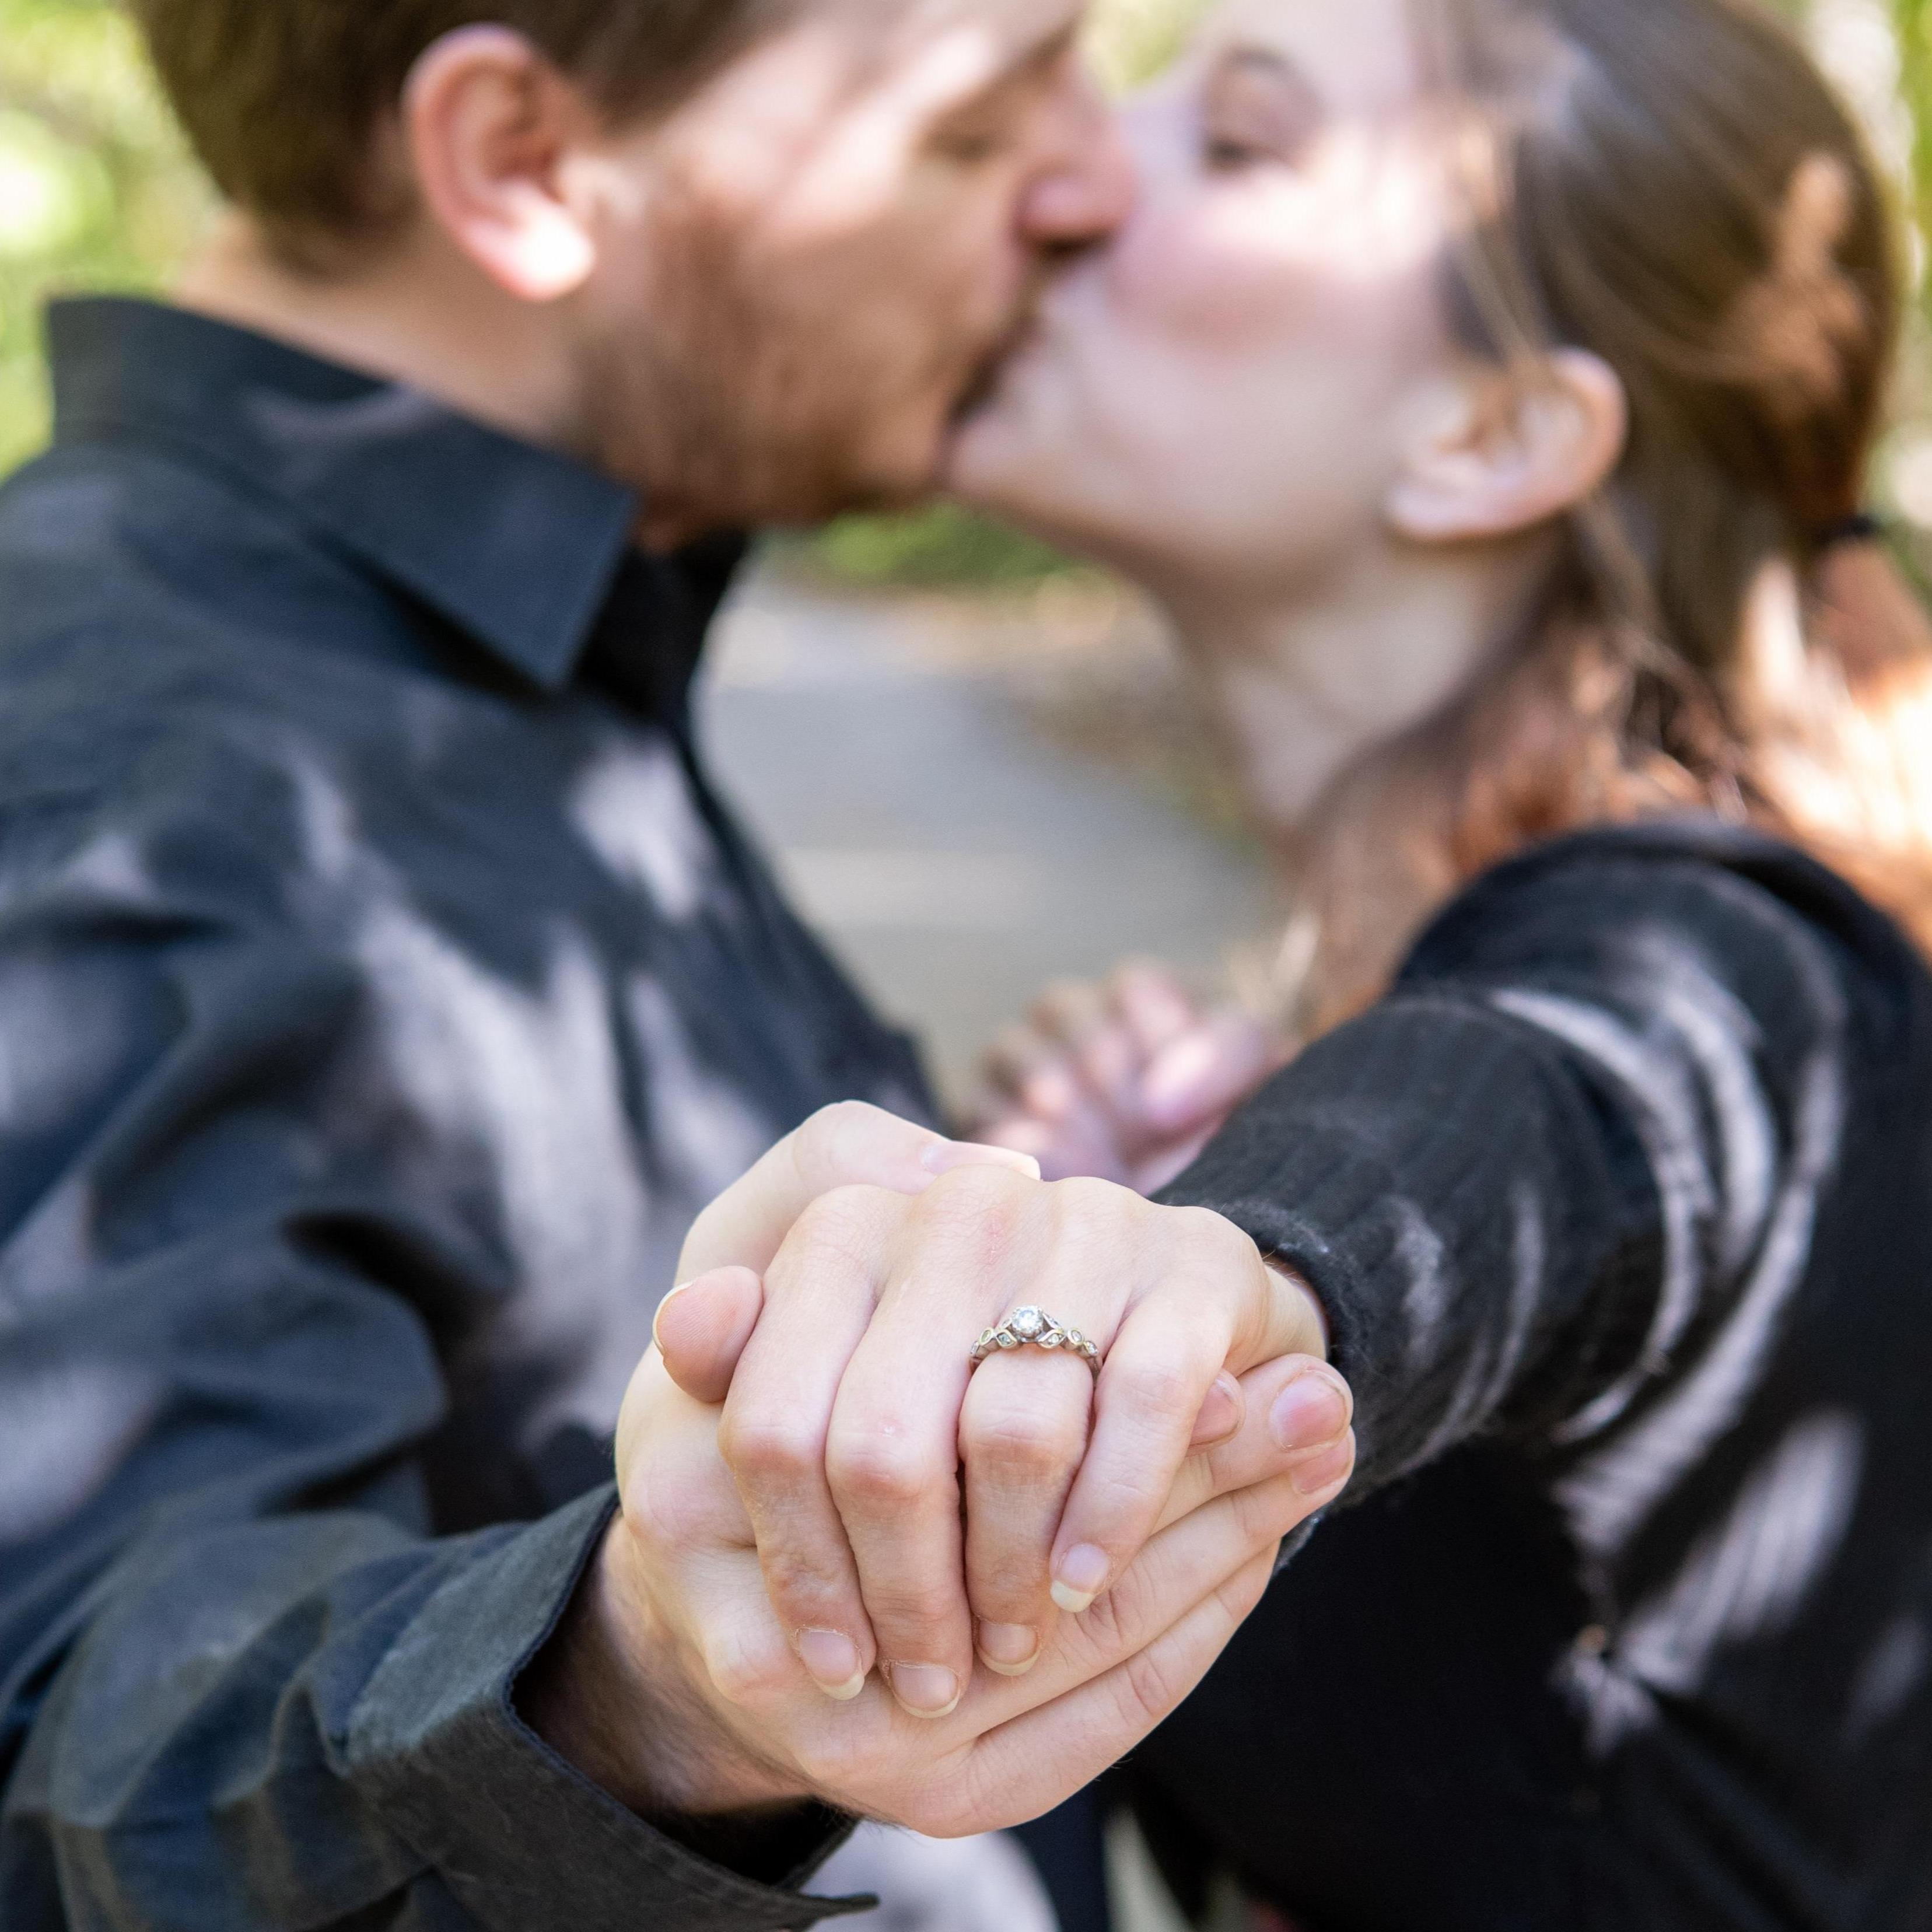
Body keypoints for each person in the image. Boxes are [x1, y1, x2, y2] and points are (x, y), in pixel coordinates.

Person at [0, 2, 1362, 1927]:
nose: (1085, 179)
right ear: (524, 165)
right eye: (978, 120)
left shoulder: (545, 634)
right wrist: (643, 1681)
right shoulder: (90, 761)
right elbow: (65, 1753)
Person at [661, 0, 1932, 1922]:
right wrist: (1160, 1190)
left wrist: (1223, 1272)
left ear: (1495, 434)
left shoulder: (1716, 945)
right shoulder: (1395, 966)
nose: (1075, 175)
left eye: (1236, 141)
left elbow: (1546, 1110)